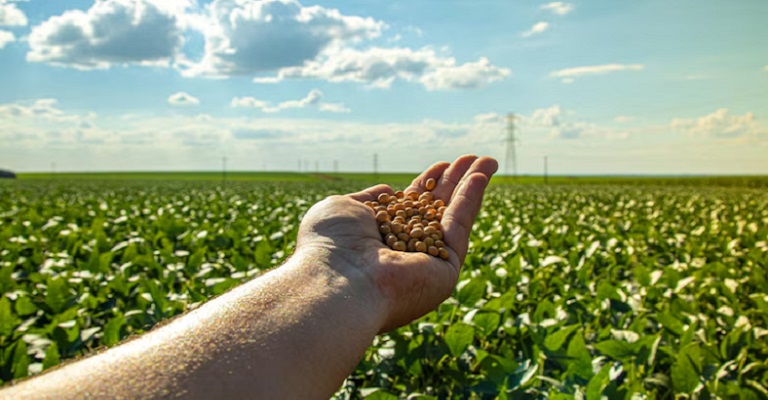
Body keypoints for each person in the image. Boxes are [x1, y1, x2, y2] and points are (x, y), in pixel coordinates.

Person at [2, 155, 498, 399]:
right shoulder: (395, 230)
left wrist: (337, 273)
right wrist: (339, 271)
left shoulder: (401, 222)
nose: (406, 215)